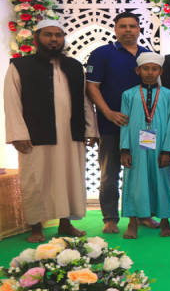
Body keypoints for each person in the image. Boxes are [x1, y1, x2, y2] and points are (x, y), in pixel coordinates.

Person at [4, 19, 99, 243]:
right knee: (36, 179)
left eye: (58, 35)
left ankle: (66, 223)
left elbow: (85, 100)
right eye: (48, 35)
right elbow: (11, 101)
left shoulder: (74, 66)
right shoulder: (20, 65)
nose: (54, 39)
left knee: (69, 177)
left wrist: (90, 128)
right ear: (37, 38)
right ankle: (36, 226)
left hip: (70, 134)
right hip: (36, 135)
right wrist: (18, 134)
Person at [86, 11, 156, 234]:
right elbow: (92, 87)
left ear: (139, 30)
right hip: (111, 124)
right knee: (109, 172)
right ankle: (110, 217)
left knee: (142, 171)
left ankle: (143, 214)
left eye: (132, 26)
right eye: (123, 26)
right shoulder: (102, 53)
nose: (128, 30)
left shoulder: (147, 55)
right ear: (115, 29)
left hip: (143, 128)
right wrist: (108, 113)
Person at [119, 52, 170, 239]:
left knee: (162, 181)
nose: (150, 73)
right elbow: (125, 123)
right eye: (145, 68)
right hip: (136, 145)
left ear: (161, 70)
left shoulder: (168, 95)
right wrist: (125, 149)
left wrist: (167, 150)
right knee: (134, 182)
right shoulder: (129, 94)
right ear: (138, 70)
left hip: (160, 146)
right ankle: (132, 222)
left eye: (154, 69)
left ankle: (165, 221)